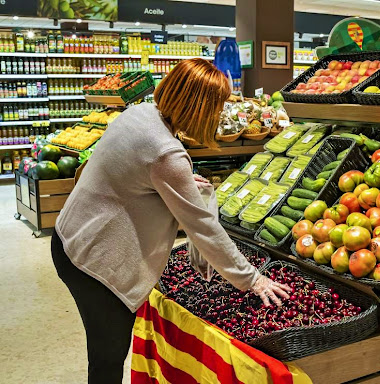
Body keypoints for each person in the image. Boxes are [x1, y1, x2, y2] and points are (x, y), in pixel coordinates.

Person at [51, 58, 290, 384]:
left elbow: (137, 174)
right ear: (198, 107)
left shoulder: (139, 113)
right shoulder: (167, 152)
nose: (219, 115)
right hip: (95, 263)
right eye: (216, 107)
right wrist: (252, 280)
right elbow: (203, 227)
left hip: (72, 235)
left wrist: (184, 182)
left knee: (106, 354)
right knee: (107, 359)